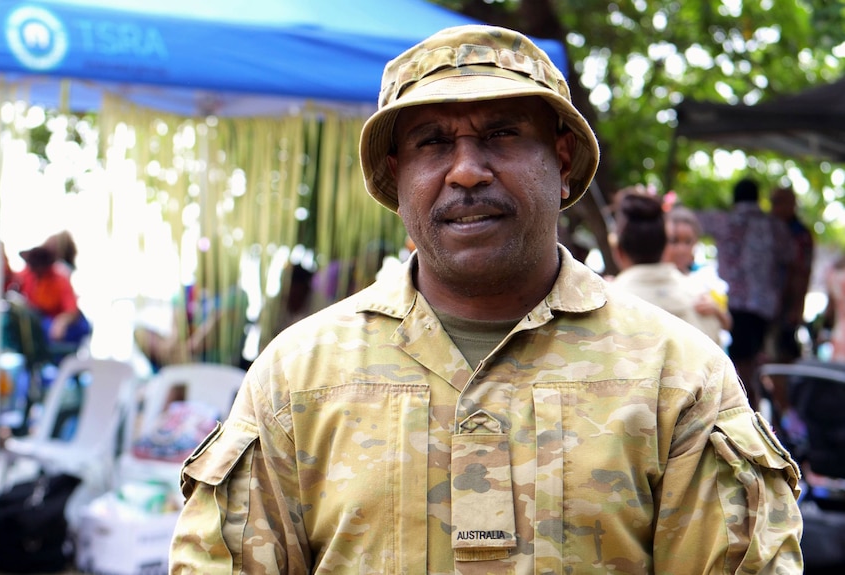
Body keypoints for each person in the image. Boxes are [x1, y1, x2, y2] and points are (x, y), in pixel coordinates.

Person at [170, 25, 802, 573]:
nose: (466, 169)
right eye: (433, 142)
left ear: (560, 159)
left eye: (501, 134)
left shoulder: (679, 377)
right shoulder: (296, 378)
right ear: (395, 175)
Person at [696, 178, 794, 409]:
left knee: (737, 368)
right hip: (763, 308)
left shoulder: (724, 220)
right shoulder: (775, 226)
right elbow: (790, 257)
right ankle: (751, 414)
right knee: (750, 366)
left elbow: (689, 219)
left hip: (732, 305)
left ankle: (744, 414)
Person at [610, 187, 720, 343]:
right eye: (677, 241)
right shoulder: (702, 301)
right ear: (666, 246)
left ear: (618, 251)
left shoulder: (603, 306)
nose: (682, 249)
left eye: (688, 241)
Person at [662, 204, 731, 346]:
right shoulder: (655, 278)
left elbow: (727, 323)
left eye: (688, 242)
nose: (681, 249)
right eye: (674, 241)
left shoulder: (706, 278)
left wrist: (716, 309)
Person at [770, 185, 814, 362]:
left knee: (783, 354)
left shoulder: (799, 234)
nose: (774, 207)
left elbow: (801, 273)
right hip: (769, 306)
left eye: (778, 202)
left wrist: (796, 307)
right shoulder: (771, 228)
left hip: (786, 307)